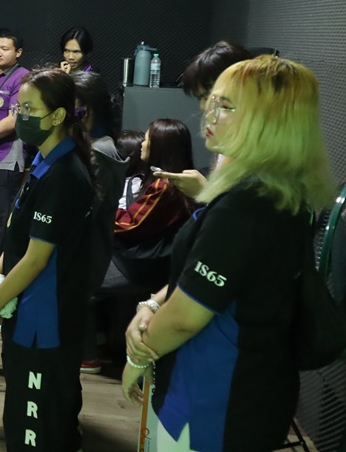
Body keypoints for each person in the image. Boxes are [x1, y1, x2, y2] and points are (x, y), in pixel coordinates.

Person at [122, 55, 334, 451]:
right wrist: (152, 304)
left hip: (213, 401)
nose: (209, 115)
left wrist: (137, 358)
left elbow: (185, 317)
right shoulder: (283, 191)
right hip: (248, 392)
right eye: (210, 102)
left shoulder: (246, 206)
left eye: (226, 106)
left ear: (267, 121)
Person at [0, 67, 94, 452]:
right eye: (18, 108)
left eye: (29, 109)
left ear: (57, 116)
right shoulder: (44, 161)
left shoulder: (64, 174)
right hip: (29, 313)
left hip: (44, 320)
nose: (20, 116)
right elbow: (18, 237)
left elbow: (36, 260)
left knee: (34, 424)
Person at [73, 71, 127, 374]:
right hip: (92, 243)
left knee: (79, 300)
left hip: (88, 246)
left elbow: (85, 209)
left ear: (87, 109)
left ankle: (87, 356)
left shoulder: (99, 151)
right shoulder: (99, 143)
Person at [154, 40, 252, 198]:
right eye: (201, 98)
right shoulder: (226, 147)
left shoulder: (259, 161)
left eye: (208, 96)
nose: (204, 108)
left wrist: (204, 192)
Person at [113, 119, 195, 291]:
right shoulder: (179, 181)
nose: (141, 144)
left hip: (139, 268)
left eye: (146, 140)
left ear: (158, 147)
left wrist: (105, 210)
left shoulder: (164, 186)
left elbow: (128, 225)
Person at [0, 27, 30, 273]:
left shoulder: (23, 78)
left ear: (18, 52)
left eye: (4, 48)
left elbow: (13, 122)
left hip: (6, 158)